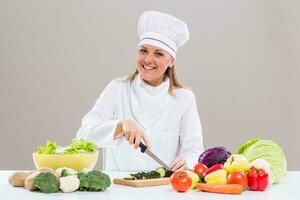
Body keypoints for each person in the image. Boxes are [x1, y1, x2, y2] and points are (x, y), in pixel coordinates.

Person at [75, 11, 203, 172]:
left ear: (171, 61)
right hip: (118, 190)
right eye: (143, 50)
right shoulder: (117, 89)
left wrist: (188, 161)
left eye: (158, 53)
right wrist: (120, 125)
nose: (148, 60)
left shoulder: (184, 99)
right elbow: (83, 135)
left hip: (164, 190)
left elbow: (194, 150)